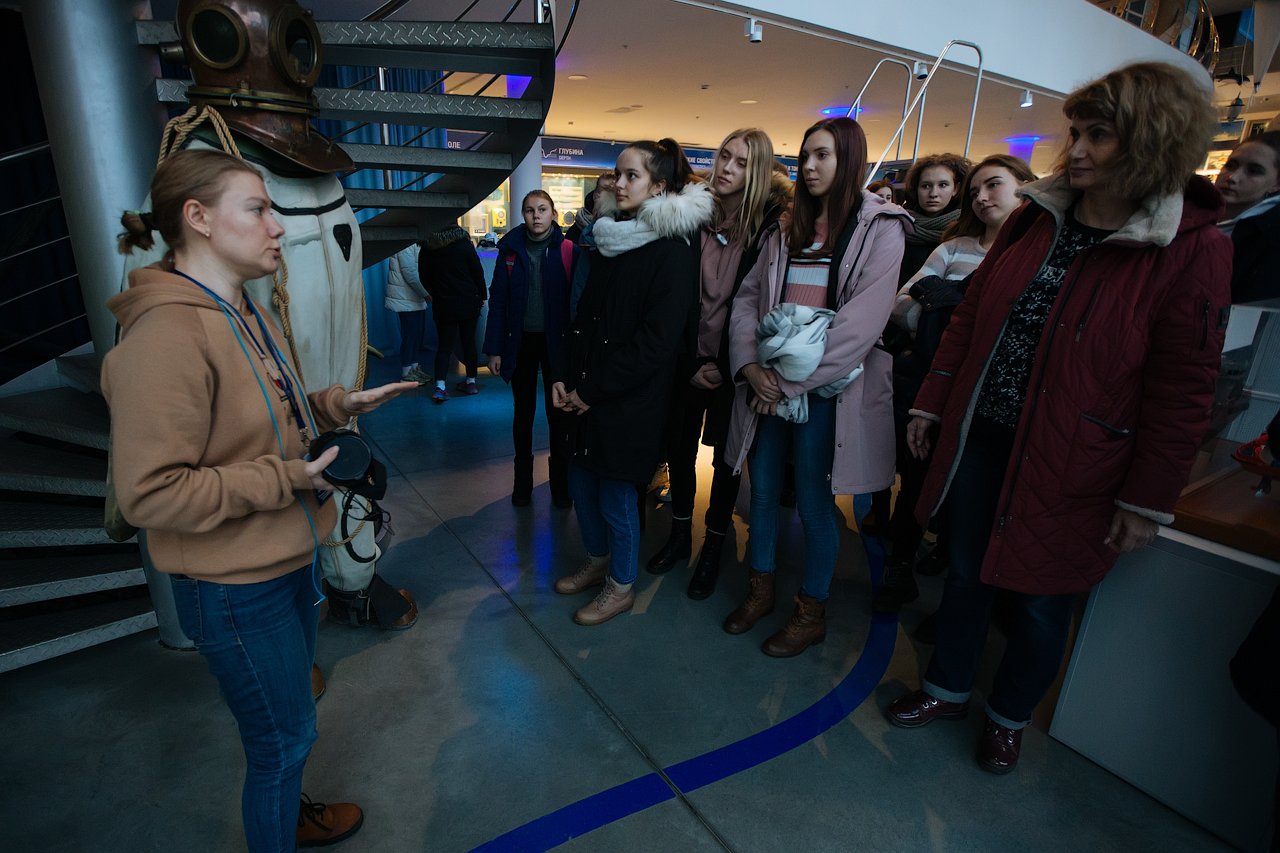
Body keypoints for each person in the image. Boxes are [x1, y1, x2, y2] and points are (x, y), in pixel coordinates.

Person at [885, 62, 1232, 775]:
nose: (1075, 149)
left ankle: (1008, 717)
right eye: (1075, 132)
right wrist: (933, 400)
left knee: (1043, 602)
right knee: (964, 575)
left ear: (1151, 140)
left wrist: (1146, 498)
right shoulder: (1034, 217)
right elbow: (972, 318)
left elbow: (1183, 386)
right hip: (984, 436)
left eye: (1098, 135)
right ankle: (948, 689)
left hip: (1078, 459)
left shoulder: (1192, 246)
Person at [105, 149, 416, 850]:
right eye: (258, 209)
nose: (278, 227)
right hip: (233, 586)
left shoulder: (243, 308)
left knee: (289, 727)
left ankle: (291, 814)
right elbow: (150, 492)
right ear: (199, 218)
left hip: (286, 559)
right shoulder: (165, 337)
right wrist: (288, 480)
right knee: (282, 742)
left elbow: (268, 415)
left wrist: (334, 403)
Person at [722, 116, 910, 657]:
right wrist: (749, 368)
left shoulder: (881, 227)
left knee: (814, 501)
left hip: (826, 390)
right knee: (760, 491)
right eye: (804, 155)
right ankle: (760, 589)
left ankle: (811, 611)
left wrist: (782, 382)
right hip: (768, 381)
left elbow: (860, 325)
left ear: (848, 159)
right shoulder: (787, 226)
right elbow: (747, 300)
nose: (808, 166)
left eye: (822, 155)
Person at [551, 138, 713, 626]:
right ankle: (598, 561)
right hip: (586, 390)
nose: (618, 184)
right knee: (581, 484)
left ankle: (620, 586)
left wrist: (590, 390)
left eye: (631, 176)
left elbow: (655, 343)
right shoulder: (611, 238)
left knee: (617, 497)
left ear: (659, 186)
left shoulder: (673, 250)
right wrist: (564, 377)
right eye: (616, 174)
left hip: (628, 399)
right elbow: (583, 319)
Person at [874, 154, 1037, 613]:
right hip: (934, 384)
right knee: (917, 478)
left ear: (1026, 187)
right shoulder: (953, 248)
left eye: (994, 185)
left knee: (975, 501)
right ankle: (900, 568)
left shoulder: (1037, 257)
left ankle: (954, 596)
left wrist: (944, 306)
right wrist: (949, 321)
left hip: (995, 399)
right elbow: (901, 306)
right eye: (975, 191)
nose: (982, 197)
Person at [644, 128, 792, 600]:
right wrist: (689, 359)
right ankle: (679, 535)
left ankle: (713, 545)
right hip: (687, 358)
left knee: (728, 462)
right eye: (725, 156)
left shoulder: (771, 227)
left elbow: (759, 307)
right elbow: (673, 296)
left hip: (736, 365)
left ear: (760, 171)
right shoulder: (691, 215)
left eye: (742, 162)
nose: (727, 167)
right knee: (679, 451)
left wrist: (729, 364)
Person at [484, 190, 581, 507]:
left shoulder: (569, 251)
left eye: (542, 209)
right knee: (523, 413)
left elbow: (576, 303)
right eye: (529, 210)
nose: (536, 215)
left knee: (559, 414)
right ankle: (522, 485)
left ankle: (561, 487)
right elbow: (498, 301)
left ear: (553, 214)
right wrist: (494, 349)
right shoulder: (510, 251)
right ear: (523, 215)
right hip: (521, 341)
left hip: (558, 344)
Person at [420, 224, 487, 402]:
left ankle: (440, 387)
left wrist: (436, 293)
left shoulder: (428, 247)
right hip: (468, 302)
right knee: (469, 343)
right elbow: (477, 271)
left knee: (444, 347)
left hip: (444, 304)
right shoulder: (464, 244)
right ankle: (471, 382)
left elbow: (423, 276)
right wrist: (482, 295)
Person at [1215, 130, 1280, 304]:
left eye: (1253, 171)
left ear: (1277, 183)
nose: (1232, 177)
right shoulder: (1190, 213)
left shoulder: (1270, 240)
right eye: (1230, 165)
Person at [897, 152, 972, 285]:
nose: (933, 194)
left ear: (956, 189)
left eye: (943, 185)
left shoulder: (965, 231)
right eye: (926, 186)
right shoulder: (900, 224)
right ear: (916, 189)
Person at [385, 242, 431, 384]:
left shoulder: (415, 244)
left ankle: (414, 369)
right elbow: (410, 274)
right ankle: (406, 373)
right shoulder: (405, 246)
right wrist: (425, 293)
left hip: (414, 298)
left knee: (416, 335)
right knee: (410, 336)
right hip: (405, 298)